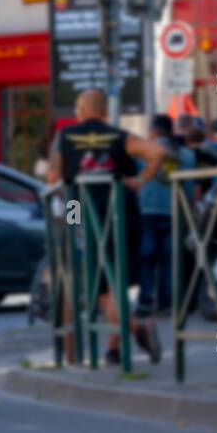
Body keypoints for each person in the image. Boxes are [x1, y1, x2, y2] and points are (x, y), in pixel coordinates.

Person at [47, 89, 169, 365]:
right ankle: (114, 348)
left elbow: (53, 177)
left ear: (79, 111)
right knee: (117, 280)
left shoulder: (65, 137)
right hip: (121, 213)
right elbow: (158, 151)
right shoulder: (118, 136)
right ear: (104, 112)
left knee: (99, 284)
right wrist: (140, 180)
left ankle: (135, 329)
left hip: (81, 214)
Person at [136, 114, 194, 321]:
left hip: (148, 210)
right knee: (169, 259)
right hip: (175, 211)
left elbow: (138, 179)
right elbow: (189, 186)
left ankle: (145, 301)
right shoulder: (186, 155)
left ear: (154, 130)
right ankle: (167, 303)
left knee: (147, 258)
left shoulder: (144, 153)